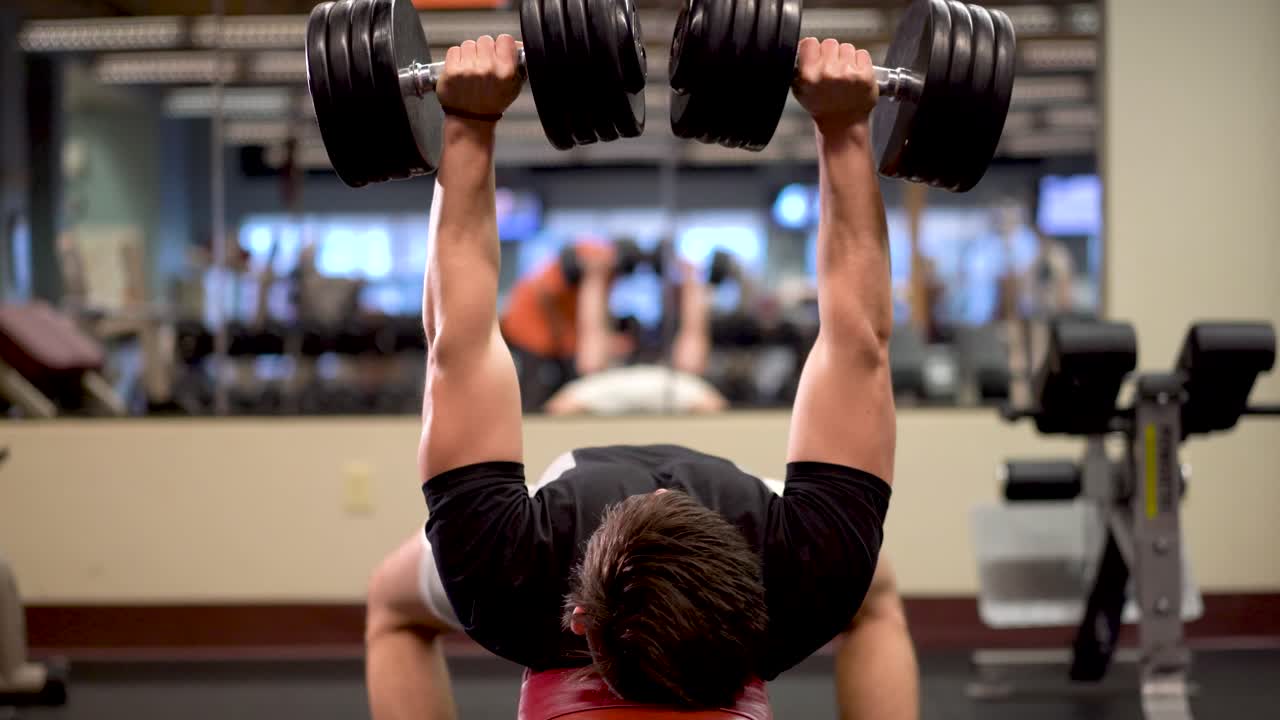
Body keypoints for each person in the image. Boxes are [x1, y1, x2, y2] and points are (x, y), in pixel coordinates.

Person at [365, 34, 919, 720]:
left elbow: (459, 338)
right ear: (758, 611)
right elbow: (858, 339)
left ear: (576, 622)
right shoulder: (811, 573)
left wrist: (470, 121)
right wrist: (845, 127)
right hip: (734, 525)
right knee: (876, 594)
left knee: (390, 605)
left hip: (558, 526)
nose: (658, 487)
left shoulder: (505, 575)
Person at [499, 235, 637, 411]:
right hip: (529, 331)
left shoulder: (608, 271)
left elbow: (597, 310)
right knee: (535, 390)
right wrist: (570, 339)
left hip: (557, 336)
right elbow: (545, 294)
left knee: (570, 380)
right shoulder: (590, 258)